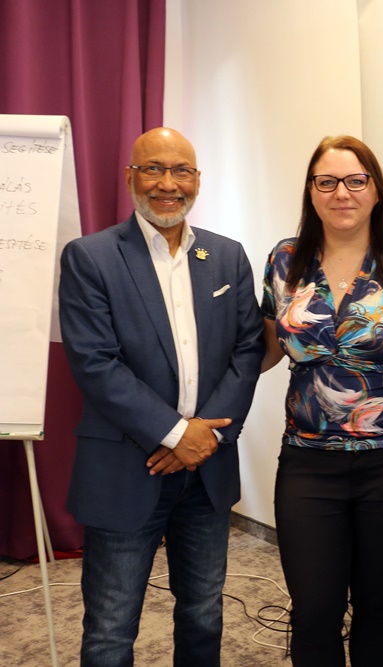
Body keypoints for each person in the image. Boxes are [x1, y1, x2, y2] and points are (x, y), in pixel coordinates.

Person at [58, 127, 264, 666]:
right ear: (130, 176)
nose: (168, 184)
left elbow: (248, 351)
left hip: (207, 470)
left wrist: (203, 439)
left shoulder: (226, 256)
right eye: (153, 169)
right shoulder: (90, 257)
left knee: (204, 613)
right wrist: (177, 435)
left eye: (181, 171)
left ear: (197, 180)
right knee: (110, 629)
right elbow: (96, 364)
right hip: (127, 468)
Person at [260, 135, 383, 666]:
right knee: (313, 610)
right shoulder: (285, 259)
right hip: (308, 459)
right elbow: (265, 351)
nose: (341, 193)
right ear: (311, 191)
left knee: (377, 605)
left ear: (375, 190)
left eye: (355, 180)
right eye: (327, 182)